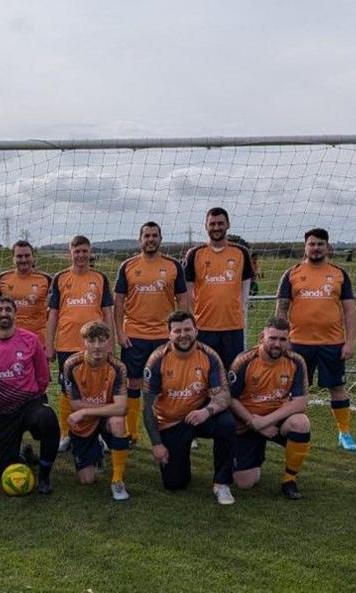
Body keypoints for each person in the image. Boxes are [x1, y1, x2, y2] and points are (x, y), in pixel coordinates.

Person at [276, 228, 356, 451]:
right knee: (294, 391)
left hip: (332, 343)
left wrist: (349, 342)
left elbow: (349, 310)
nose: (316, 248)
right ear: (305, 247)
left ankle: (344, 433)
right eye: (312, 244)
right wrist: (281, 341)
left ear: (327, 247)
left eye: (320, 244)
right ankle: (293, 431)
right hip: (298, 344)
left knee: (337, 387)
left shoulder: (339, 274)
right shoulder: (292, 273)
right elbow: (281, 309)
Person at [142, 310, 237, 505]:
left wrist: (207, 411)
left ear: (196, 331)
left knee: (226, 423)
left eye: (187, 329)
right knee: (174, 483)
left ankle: (222, 483)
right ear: (169, 334)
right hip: (171, 422)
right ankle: (180, 454)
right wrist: (157, 444)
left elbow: (224, 395)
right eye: (177, 331)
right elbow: (148, 407)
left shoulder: (209, 355)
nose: (183, 335)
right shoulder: (157, 359)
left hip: (199, 415)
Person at [0, 296, 60, 494]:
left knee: (47, 418)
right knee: (6, 469)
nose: (4, 313)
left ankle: (45, 475)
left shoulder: (30, 340)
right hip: (2, 412)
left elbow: (43, 375)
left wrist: (31, 396)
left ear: (14, 313)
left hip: (29, 405)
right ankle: (23, 454)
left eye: (8, 309)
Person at [114, 221, 189, 445]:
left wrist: (183, 331)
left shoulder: (174, 266)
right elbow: (119, 302)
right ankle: (133, 433)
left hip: (165, 337)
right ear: (140, 239)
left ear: (160, 239)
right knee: (134, 384)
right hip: (135, 335)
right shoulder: (127, 266)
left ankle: (173, 426)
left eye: (154, 236)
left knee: (170, 383)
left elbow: (183, 299)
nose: (150, 239)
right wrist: (119, 332)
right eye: (146, 236)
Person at [229, 318, 312, 500]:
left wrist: (265, 422)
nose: (277, 344)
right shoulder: (244, 361)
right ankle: (252, 456)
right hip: (247, 420)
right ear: (262, 337)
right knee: (245, 483)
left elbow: (300, 402)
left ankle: (289, 480)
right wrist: (254, 423)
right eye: (272, 338)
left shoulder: (296, 361)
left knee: (300, 422)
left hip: (274, 421)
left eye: (283, 340)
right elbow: (230, 399)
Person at [46, 235, 115, 453]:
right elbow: (53, 314)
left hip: (95, 346)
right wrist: (49, 343)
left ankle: (100, 435)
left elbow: (107, 313)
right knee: (68, 391)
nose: (81, 255)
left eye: (85, 251)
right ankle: (67, 433)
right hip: (67, 344)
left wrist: (110, 343)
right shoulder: (60, 278)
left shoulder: (100, 278)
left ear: (90, 252)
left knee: (99, 389)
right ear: (70, 253)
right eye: (77, 251)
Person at [61, 321, 131, 501]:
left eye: (102, 340)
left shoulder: (118, 367)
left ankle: (117, 480)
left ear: (109, 341)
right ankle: (97, 449)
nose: (97, 346)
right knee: (86, 480)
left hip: (103, 418)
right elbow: (75, 404)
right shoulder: (71, 365)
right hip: (85, 424)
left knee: (117, 421)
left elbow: (122, 408)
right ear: (84, 342)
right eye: (92, 341)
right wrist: (98, 409)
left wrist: (85, 412)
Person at [183, 207, 255, 370]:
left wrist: (241, 310)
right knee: (204, 372)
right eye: (212, 224)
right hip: (203, 327)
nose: (216, 227)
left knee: (233, 372)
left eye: (220, 223)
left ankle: (230, 397)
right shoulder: (194, 254)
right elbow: (188, 291)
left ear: (228, 224)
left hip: (233, 327)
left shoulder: (241, 252)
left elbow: (245, 286)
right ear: (206, 226)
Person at [0, 240, 52, 347]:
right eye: (19, 256)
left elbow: (54, 309)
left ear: (33, 257)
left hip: (37, 340)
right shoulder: (1, 279)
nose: (23, 259)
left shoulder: (46, 279)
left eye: (27, 255)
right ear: (13, 258)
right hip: (9, 339)